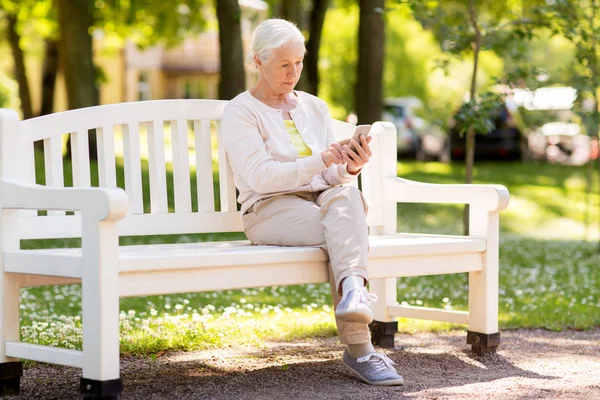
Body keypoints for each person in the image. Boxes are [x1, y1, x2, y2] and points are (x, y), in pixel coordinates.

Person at [221, 18, 404, 386]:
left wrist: (348, 166)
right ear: (258, 62)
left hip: (321, 202)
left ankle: (354, 293)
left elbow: (328, 180)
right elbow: (262, 177)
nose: (294, 72)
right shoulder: (241, 111)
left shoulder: (314, 107)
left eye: (299, 62)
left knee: (347, 195)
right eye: (284, 64)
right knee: (344, 224)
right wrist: (322, 159)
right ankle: (360, 347)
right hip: (269, 209)